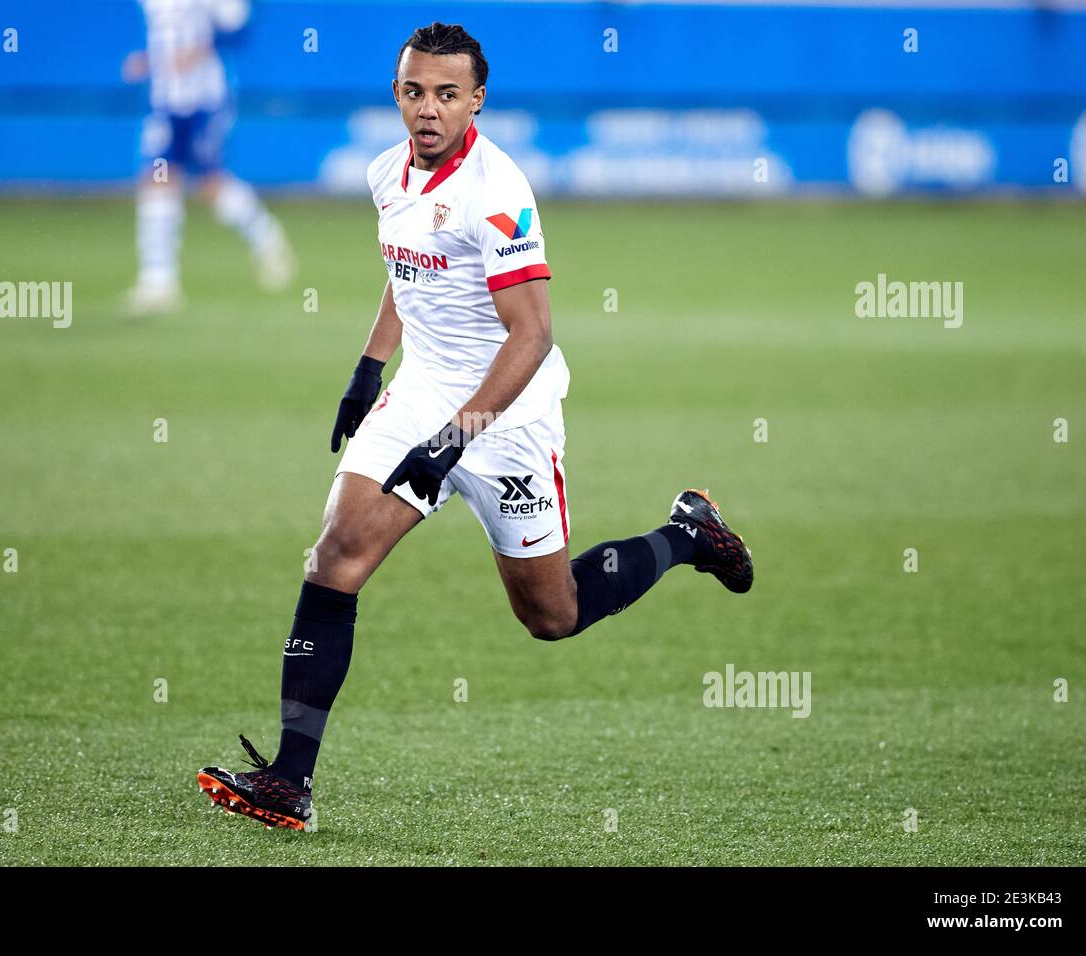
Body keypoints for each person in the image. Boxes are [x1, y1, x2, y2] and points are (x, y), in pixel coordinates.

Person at [198, 22, 752, 830]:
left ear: (476, 101)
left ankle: (686, 534)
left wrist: (457, 439)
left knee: (551, 614)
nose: (428, 109)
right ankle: (291, 779)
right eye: (414, 91)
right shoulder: (386, 172)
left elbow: (532, 336)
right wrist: (368, 367)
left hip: (509, 413)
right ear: (397, 93)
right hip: (422, 393)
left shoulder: (498, 190)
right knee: (335, 556)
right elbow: (406, 268)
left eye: (447, 95)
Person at [122, 0, 295, 314]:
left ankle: (265, 236)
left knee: (209, 185)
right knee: (156, 180)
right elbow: (166, 33)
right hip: (165, 101)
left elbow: (238, 26)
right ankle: (159, 282)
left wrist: (200, 49)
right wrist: (148, 60)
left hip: (204, 100)